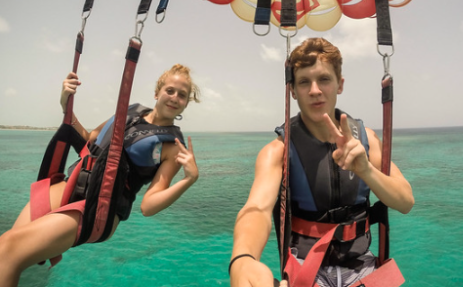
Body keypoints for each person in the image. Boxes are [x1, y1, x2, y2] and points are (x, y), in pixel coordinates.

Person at [229, 38, 414, 287]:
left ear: (340, 84)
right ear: (292, 90)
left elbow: (405, 202)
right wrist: (243, 258)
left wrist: (366, 169)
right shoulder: (278, 151)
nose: (315, 90)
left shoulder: (367, 140)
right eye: (304, 82)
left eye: (324, 79)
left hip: (363, 266)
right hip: (307, 269)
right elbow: (257, 209)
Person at [0, 64, 201, 287]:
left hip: (101, 208)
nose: (174, 98)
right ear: (157, 92)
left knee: (9, 251)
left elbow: (148, 206)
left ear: (186, 103)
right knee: (3, 250)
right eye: (170, 90)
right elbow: (89, 138)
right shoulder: (131, 110)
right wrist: (65, 104)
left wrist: (188, 180)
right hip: (75, 185)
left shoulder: (171, 146)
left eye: (182, 95)